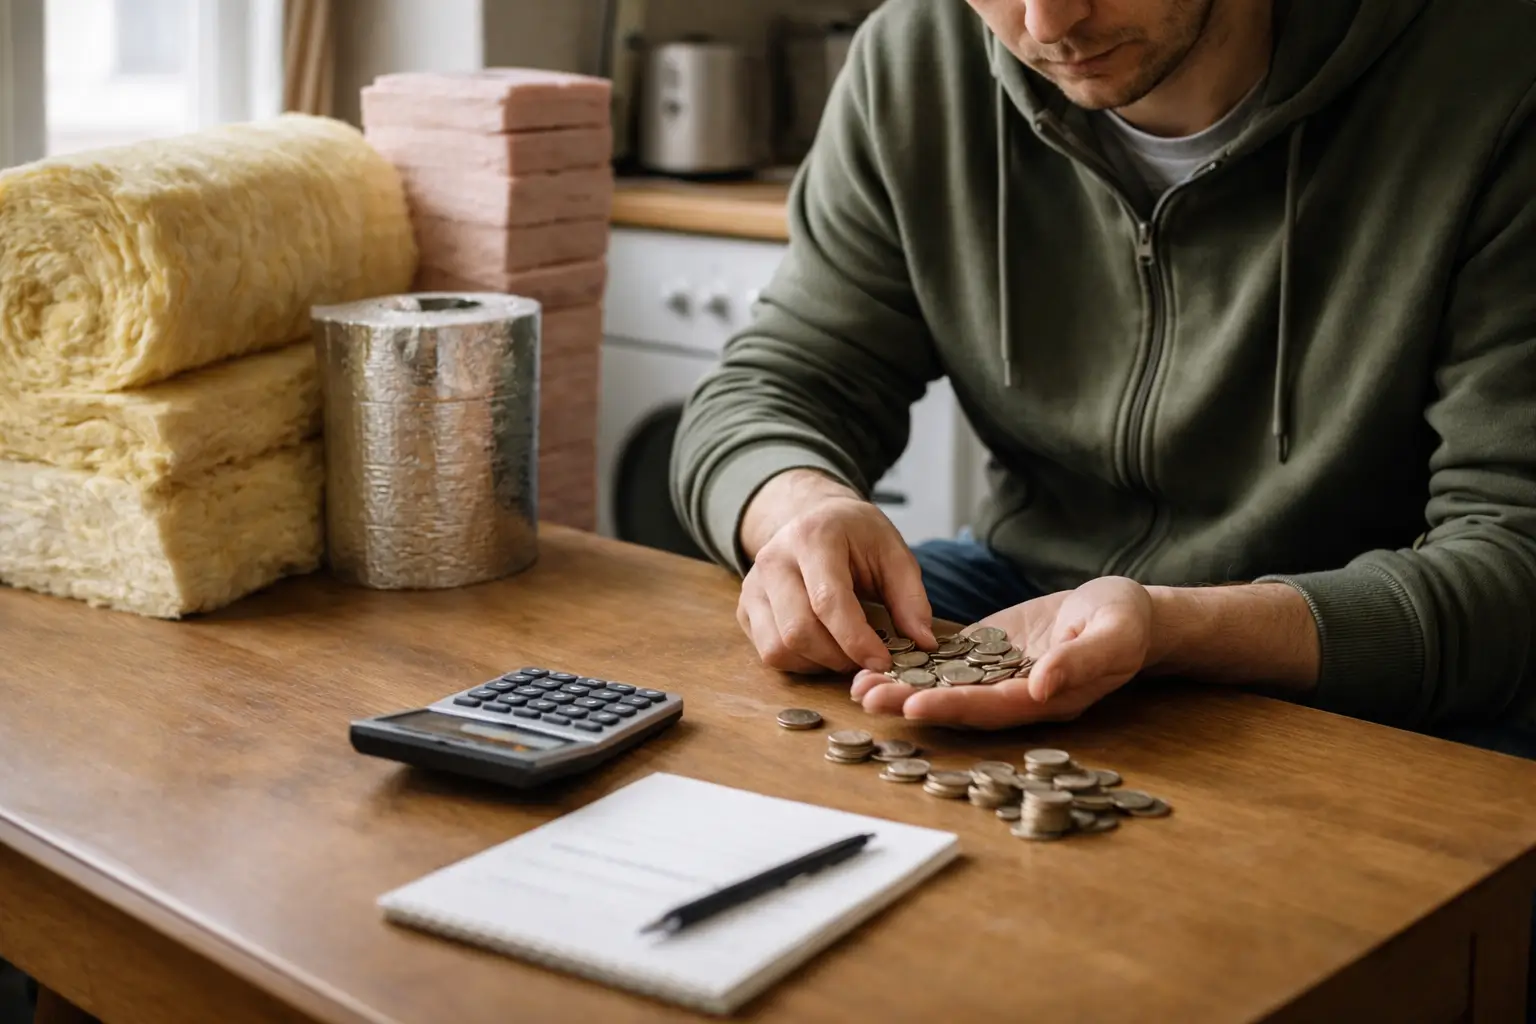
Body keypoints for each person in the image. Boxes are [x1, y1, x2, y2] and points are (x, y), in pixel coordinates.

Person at [669, 0, 1536, 749]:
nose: (1047, 25)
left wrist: (1173, 628)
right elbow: (776, 383)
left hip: (1356, 643)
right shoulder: (917, 57)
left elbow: (1513, 563)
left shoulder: (1495, 79)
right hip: (1025, 591)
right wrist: (799, 509)